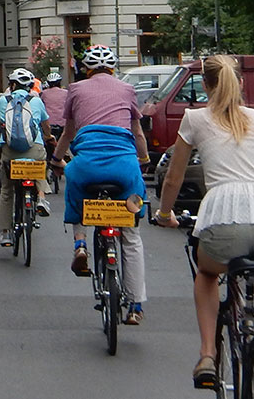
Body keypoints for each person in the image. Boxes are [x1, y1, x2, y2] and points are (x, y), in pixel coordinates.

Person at [155, 55, 254, 397]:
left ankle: (208, 353)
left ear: (205, 86)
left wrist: (165, 214)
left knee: (207, 275)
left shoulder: (195, 119)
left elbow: (174, 178)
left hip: (221, 221)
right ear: (239, 83)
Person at [55, 44, 150, 325]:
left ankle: (81, 245)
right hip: (124, 167)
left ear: (85, 69)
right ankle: (135, 306)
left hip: (87, 166)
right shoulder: (127, 90)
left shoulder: (75, 90)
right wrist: (142, 161)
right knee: (131, 237)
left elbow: (69, 132)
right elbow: (138, 133)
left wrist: (57, 159)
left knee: (77, 194)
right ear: (113, 68)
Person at [0, 69, 52, 245]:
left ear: (12, 85)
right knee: (40, 165)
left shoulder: (2, 100)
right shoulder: (36, 101)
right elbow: (46, 126)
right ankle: (42, 199)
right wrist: (48, 137)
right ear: (30, 86)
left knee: (6, 191)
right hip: (34, 148)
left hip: (10, 151)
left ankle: (6, 233)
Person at [39, 70, 68, 161]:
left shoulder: (44, 93)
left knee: (47, 144)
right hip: (62, 123)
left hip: (48, 124)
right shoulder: (66, 93)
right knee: (63, 142)